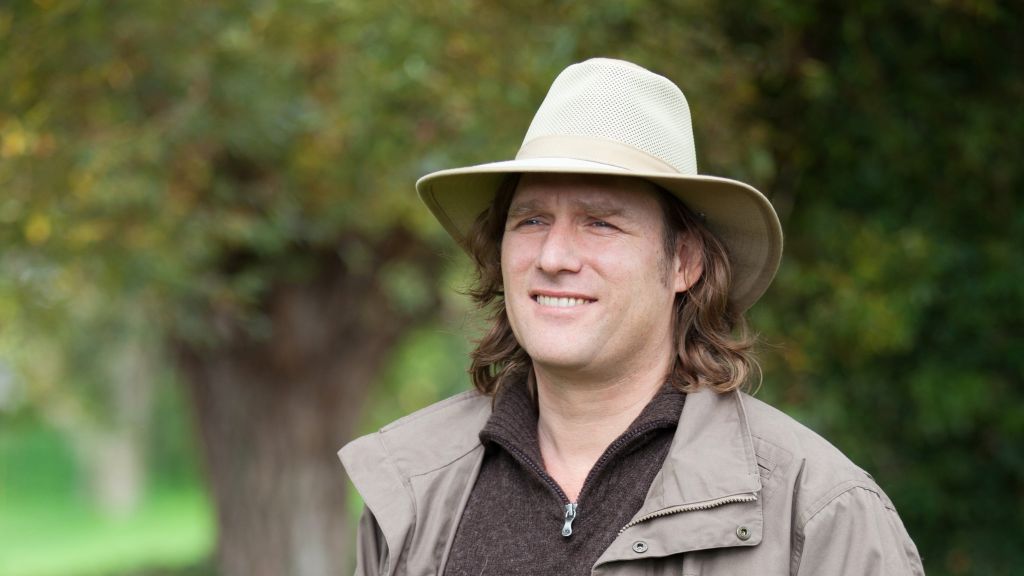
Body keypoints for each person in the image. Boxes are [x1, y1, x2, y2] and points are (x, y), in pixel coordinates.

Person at [339, 58, 924, 575]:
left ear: (684, 263)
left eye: (601, 223)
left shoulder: (818, 513)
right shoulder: (410, 489)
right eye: (532, 220)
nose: (553, 257)